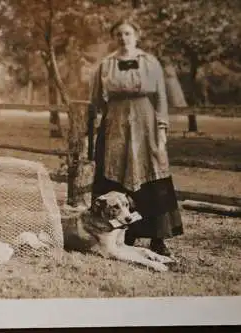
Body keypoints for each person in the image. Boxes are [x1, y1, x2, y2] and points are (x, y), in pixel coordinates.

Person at [89, 18, 183, 256]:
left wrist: (161, 128)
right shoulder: (106, 64)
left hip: (146, 124)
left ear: (136, 35)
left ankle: (158, 239)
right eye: (119, 34)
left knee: (152, 174)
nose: (123, 38)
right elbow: (97, 100)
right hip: (116, 126)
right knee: (115, 175)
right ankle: (121, 234)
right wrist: (103, 123)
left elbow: (161, 98)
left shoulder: (150, 62)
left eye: (128, 33)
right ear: (114, 37)